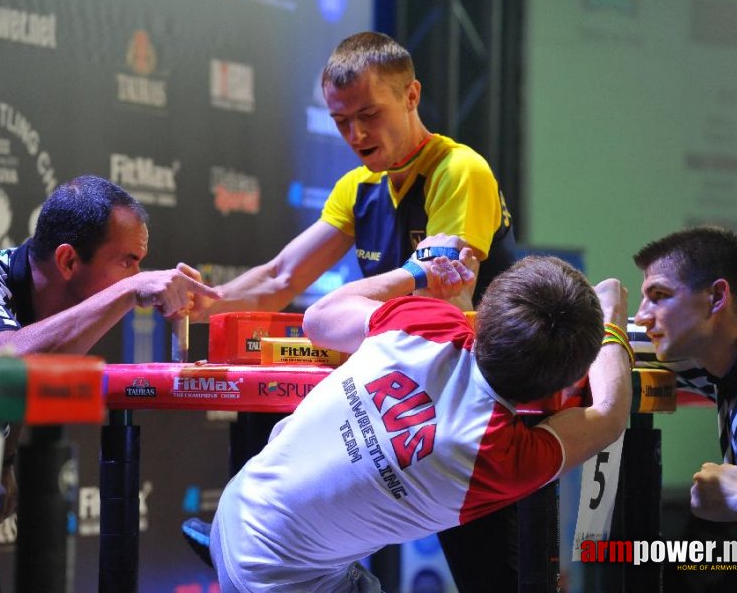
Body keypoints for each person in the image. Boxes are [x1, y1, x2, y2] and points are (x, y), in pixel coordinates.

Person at [186, 31, 517, 589]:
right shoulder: (358, 186)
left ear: (412, 95)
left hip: (479, 404)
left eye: (368, 114)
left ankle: (248, 538)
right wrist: (198, 304)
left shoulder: (459, 170)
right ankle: (246, 536)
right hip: (405, 399)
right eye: (341, 121)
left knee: (495, 582)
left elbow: (445, 303)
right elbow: (280, 277)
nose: (356, 134)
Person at [207, 253, 631, 592]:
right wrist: (611, 323)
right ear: (568, 376)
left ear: (484, 313)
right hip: (281, 582)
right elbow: (609, 416)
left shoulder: (427, 323)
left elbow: (319, 320)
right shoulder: (503, 457)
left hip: (237, 507)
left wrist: (418, 271)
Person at [0, 174, 220, 593]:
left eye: (139, 264)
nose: (139, 275)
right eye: (128, 261)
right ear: (67, 261)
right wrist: (130, 291)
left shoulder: (49, 308)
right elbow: (2, 366)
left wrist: (6, 461)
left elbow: (30, 375)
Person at [633, 225, 737, 591]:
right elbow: (606, 337)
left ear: (717, 297)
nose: (642, 315)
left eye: (659, 296)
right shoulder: (725, 357)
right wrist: (607, 313)